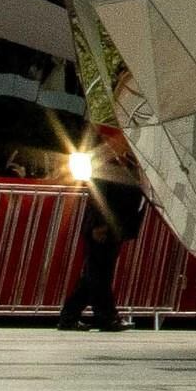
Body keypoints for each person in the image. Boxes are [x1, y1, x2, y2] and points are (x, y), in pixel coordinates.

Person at [55, 140, 143, 334]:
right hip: (102, 227)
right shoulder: (107, 166)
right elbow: (98, 197)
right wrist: (99, 225)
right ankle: (106, 317)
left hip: (115, 227)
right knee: (99, 273)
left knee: (95, 274)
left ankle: (69, 316)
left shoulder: (130, 166)